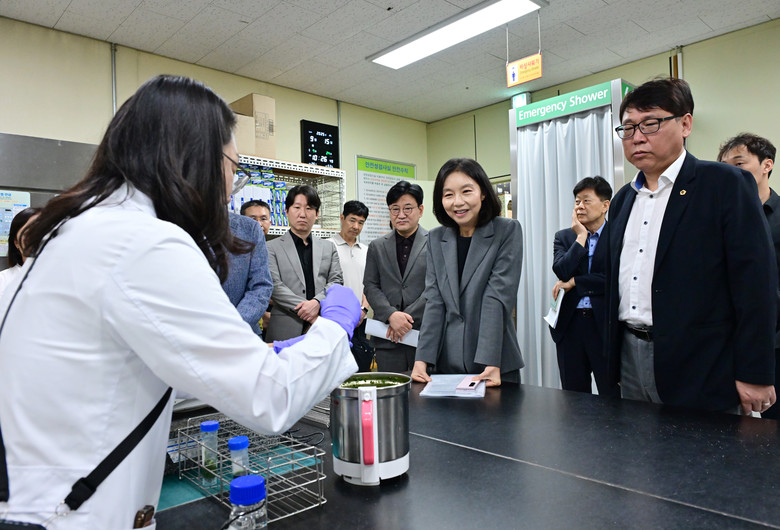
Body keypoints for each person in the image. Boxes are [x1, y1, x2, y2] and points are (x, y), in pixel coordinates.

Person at [0, 75, 359, 529]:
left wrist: (253, 355)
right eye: (232, 168)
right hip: (69, 514)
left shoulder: (84, 226)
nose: (230, 189)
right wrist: (336, 326)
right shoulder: (144, 242)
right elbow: (270, 398)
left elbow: (138, 367)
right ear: (197, 161)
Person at [605, 77, 777, 413]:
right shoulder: (623, 199)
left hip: (702, 363)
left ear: (685, 124)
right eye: (628, 128)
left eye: (650, 123)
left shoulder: (725, 184)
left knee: (702, 449)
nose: (637, 137)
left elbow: (756, 283)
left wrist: (755, 372)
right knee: (635, 447)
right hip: (628, 357)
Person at [412, 158, 523, 386]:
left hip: (494, 364)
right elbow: (434, 301)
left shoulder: (506, 230)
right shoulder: (435, 238)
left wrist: (490, 361)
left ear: (483, 193)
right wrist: (422, 358)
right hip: (445, 364)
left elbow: (497, 297)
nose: (457, 202)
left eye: (466, 191)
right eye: (448, 194)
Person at [717, 133, 779, 419]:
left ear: (767, 165)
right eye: (724, 166)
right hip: (728, 341)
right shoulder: (719, 218)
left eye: (739, 163)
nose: (731, 172)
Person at [549, 177, 619, 397]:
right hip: (570, 326)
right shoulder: (564, 237)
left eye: (587, 201)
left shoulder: (618, 235)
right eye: (577, 201)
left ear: (605, 205)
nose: (580, 206)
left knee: (611, 395)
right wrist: (581, 237)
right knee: (573, 397)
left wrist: (576, 282)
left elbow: (615, 278)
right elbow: (561, 270)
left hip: (604, 326)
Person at [364, 181, 428, 372]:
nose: (401, 215)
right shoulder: (377, 246)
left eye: (407, 208)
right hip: (387, 338)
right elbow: (370, 286)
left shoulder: (435, 243)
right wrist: (391, 315)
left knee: (424, 388)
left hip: (423, 335)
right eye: (395, 209)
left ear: (420, 210)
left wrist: (404, 320)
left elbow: (436, 286)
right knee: (389, 386)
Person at [265, 185, 343, 341]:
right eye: (297, 207)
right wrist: (308, 308)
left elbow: (336, 281)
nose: (302, 214)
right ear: (286, 211)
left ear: (317, 214)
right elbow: (275, 286)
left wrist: (317, 302)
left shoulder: (328, 247)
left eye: (309, 208)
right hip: (285, 327)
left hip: (322, 324)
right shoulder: (270, 247)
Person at [329, 200, 374, 371]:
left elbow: (371, 284)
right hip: (335, 320)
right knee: (337, 370)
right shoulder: (328, 246)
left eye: (361, 222)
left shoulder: (367, 251)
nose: (356, 226)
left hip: (361, 320)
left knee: (361, 367)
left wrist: (363, 310)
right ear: (342, 218)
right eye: (352, 220)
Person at [221, 212, 272, 335]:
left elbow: (261, 285)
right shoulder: (178, 226)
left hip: (242, 334)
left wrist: (233, 327)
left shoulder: (249, 228)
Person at [0, 207, 39, 299]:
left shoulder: (62, 277)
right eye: (28, 233)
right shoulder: (3, 280)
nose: (36, 239)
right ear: (16, 242)